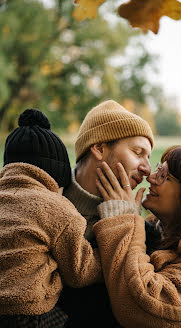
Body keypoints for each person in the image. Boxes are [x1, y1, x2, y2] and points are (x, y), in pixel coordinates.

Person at [60, 99, 161, 326]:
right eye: (138, 152)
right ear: (99, 148)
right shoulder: (46, 199)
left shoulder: (146, 234)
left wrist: (124, 222)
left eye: (148, 156)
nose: (147, 168)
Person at [94, 146, 181, 328]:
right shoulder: (155, 233)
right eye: (158, 169)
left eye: (163, 176)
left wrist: (122, 219)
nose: (150, 178)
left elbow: (143, 304)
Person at [0, 109, 102, 327]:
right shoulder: (56, 208)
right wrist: (107, 253)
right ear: (57, 179)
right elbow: (80, 273)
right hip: (28, 315)